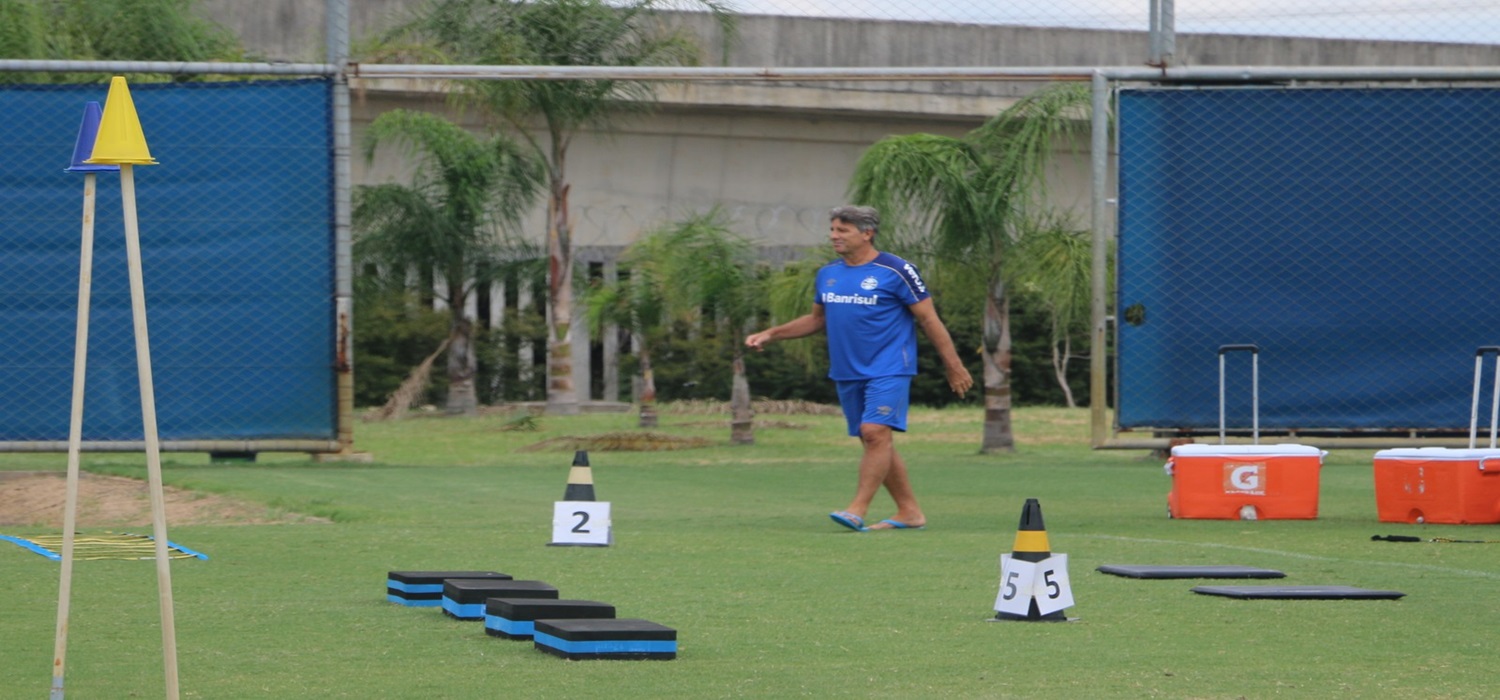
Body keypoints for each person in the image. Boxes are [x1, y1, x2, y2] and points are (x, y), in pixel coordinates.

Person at [745, 205, 972, 531]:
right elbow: (816, 320)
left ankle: (857, 508)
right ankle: (909, 512)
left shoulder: (897, 270)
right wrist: (772, 333)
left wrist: (954, 366)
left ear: (867, 233)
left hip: (890, 366)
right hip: (847, 370)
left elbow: (928, 319)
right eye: (833, 229)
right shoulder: (828, 274)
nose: (834, 236)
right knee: (874, 440)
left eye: (842, 230)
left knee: (874, 432)